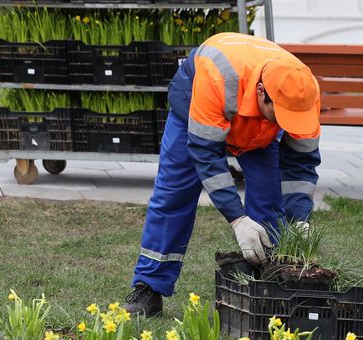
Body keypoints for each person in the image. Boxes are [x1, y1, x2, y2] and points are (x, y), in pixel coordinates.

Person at [124, 33, 322, 316]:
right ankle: (149, 288)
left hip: (258, 133)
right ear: (262, 92)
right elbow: (206, 155)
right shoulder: (220, 77)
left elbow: (301, 164)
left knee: (269, 203)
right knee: (174, 196)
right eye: (279, 115)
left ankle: (268, 287)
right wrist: (237, 219)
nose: (284, 123)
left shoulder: (303, 92)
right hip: (195, 105)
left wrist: (299, 220)